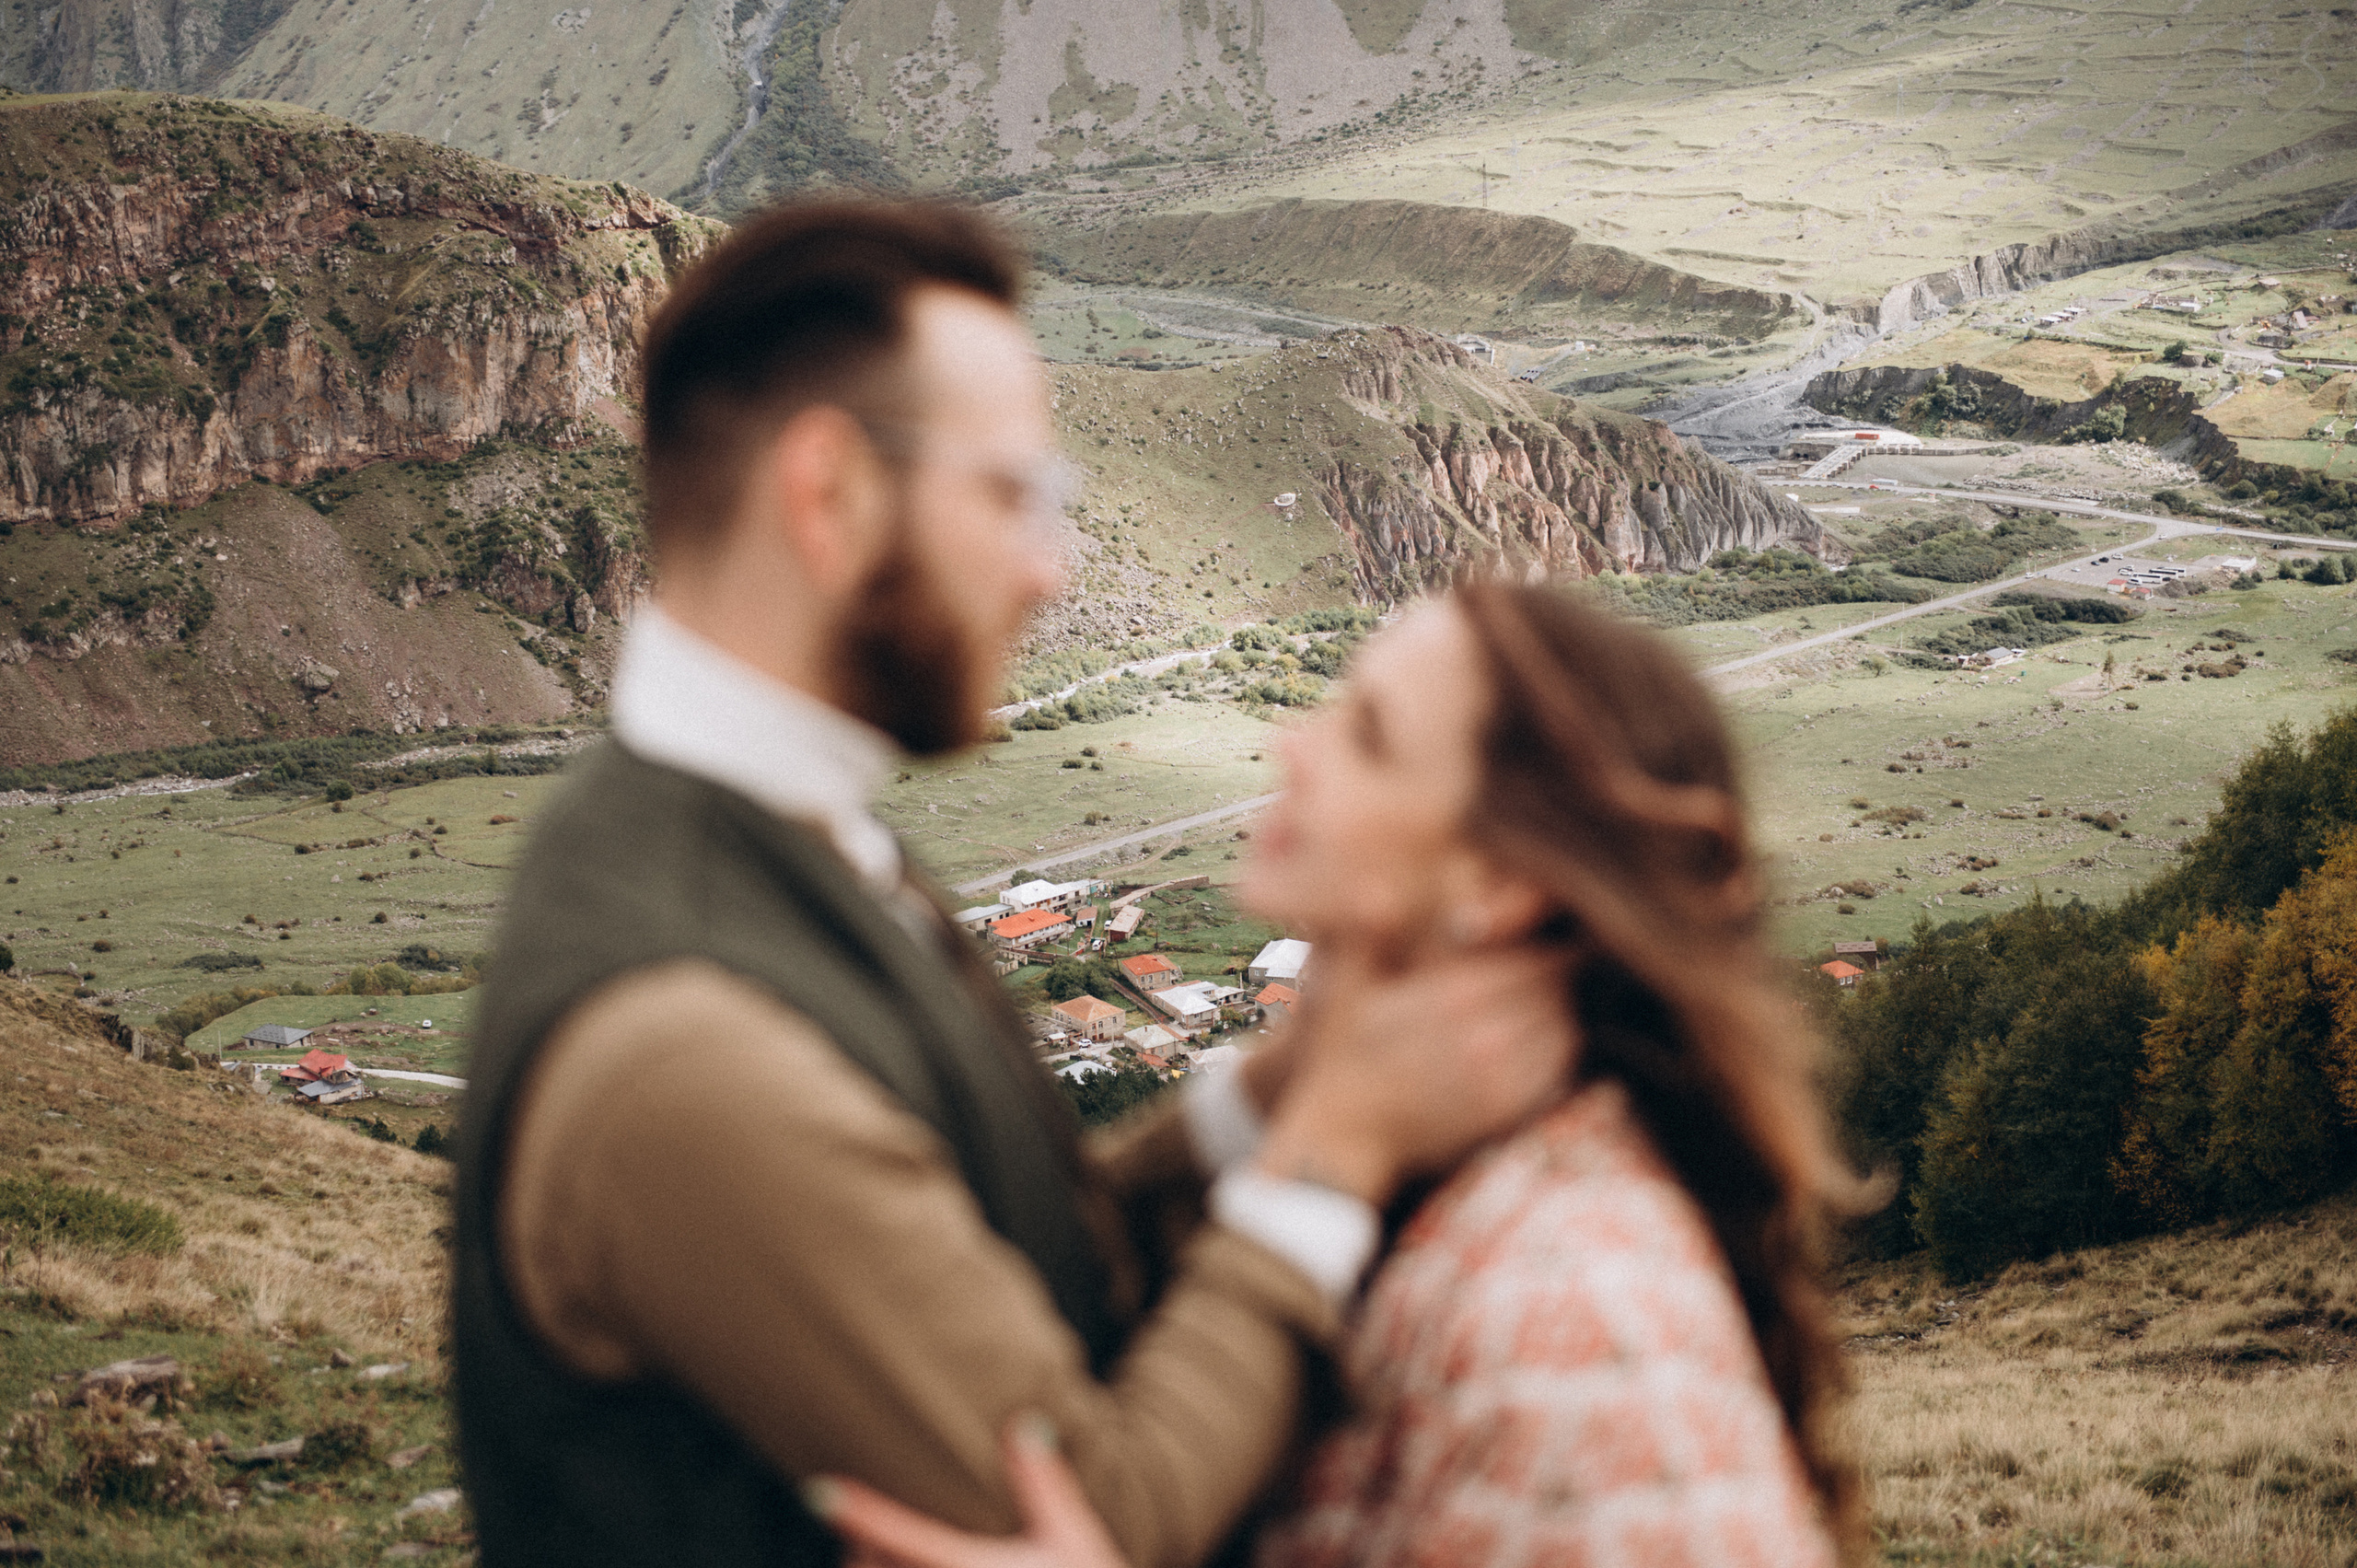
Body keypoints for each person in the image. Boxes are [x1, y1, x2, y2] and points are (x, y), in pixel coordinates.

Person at [449, 201, 1582, 1568]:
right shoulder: (682, 1050)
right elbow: (1099, 1510)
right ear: (832, 496)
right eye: (1009, 493)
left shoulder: (767, 832)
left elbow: (984, 1257)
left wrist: (1253, 1107)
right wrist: (1335, 1150)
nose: (1048, 572)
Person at [807, 583, 1870, 1568]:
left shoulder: (1576, 1314)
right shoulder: (1444, 1166)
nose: (1293, 745)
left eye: (1365, 735)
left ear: (1497, 878)